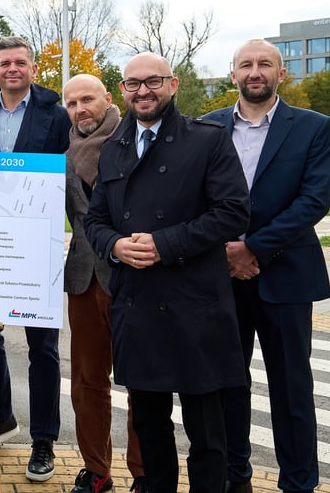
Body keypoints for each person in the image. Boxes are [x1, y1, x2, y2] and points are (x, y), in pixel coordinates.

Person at [84, 52, 251, 492]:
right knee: (151, 433)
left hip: (196, 309)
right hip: (137, 308)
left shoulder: (207, 140)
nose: (143, 91)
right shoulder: (114, 149)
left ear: (172, 85)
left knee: (208, 438)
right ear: (122, 91)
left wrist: (163, 244)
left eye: (152, 81)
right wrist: (116, 246)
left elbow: (234, 212)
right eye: (132, 84)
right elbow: (94, 220)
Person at [203, 39, 330, 493]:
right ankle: (233, 475)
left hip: (287, 275)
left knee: (292, 389)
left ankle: (299, 483)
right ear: (233, 73)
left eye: (264, 64)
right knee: (226, 386)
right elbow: (193, 195)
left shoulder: (314, 127)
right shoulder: (207, 126)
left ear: (282, 74)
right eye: (246, 65)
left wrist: (252, 248)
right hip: (220, 277)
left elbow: (313, 201)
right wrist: (225, 249)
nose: (254, 71)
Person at [0, 35, 70, 482]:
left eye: (20, 62)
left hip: (35, 242)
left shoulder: (55, 114)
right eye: (5, 62)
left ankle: (43, 439)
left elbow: (67, 176)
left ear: (32, 67)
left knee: (43, 346)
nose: (12, 69)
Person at [63, 74, 146, 493]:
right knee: (87, 381)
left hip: (134, 279)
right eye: (73, 103)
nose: (81, 109)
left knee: (142, 382)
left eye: (88, 99)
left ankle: (144, 473)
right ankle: (97, 470)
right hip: (82, 279)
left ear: (108, 99)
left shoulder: (137, 143)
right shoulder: (65, 155)